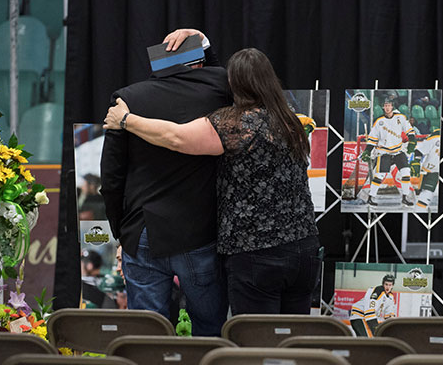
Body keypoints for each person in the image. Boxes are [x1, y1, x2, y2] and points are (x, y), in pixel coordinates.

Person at [104, 43, 321, 316]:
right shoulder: (291, 121)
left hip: (256, 253)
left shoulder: (234, 124)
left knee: (256, 343)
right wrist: (202, 43)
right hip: (304, 248)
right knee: (293, 338)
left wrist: (126, 119)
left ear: (232, 84)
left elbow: (176, 137)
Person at [100, 29, 232, 336]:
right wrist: (202, 41)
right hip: (200, 232)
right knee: (210, 328)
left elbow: (111, 176)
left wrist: (122, 230)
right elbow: (217, 71)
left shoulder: (128, 99)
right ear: (199, 63)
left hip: (143, 230)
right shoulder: (219, 88)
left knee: (147, 335)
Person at [360, 95, 417, 207]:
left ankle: (405, 197)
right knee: (379, 176)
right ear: (383, 107)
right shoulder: (379, 122)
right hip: (384, 153)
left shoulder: (400, 118)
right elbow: (372, 140)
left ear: (392, 107)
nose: (387, 107)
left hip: (398, 152)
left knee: (405, 174)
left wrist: (412, 142)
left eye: (389, 105)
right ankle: (370, 197)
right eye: (385, 106)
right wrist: (367, 151)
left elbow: (410, 132)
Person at [414, 128, 440, 210]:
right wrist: (416, 162)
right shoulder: (435, 137)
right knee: (426, 195)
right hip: (432, 171)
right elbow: (419, 151)